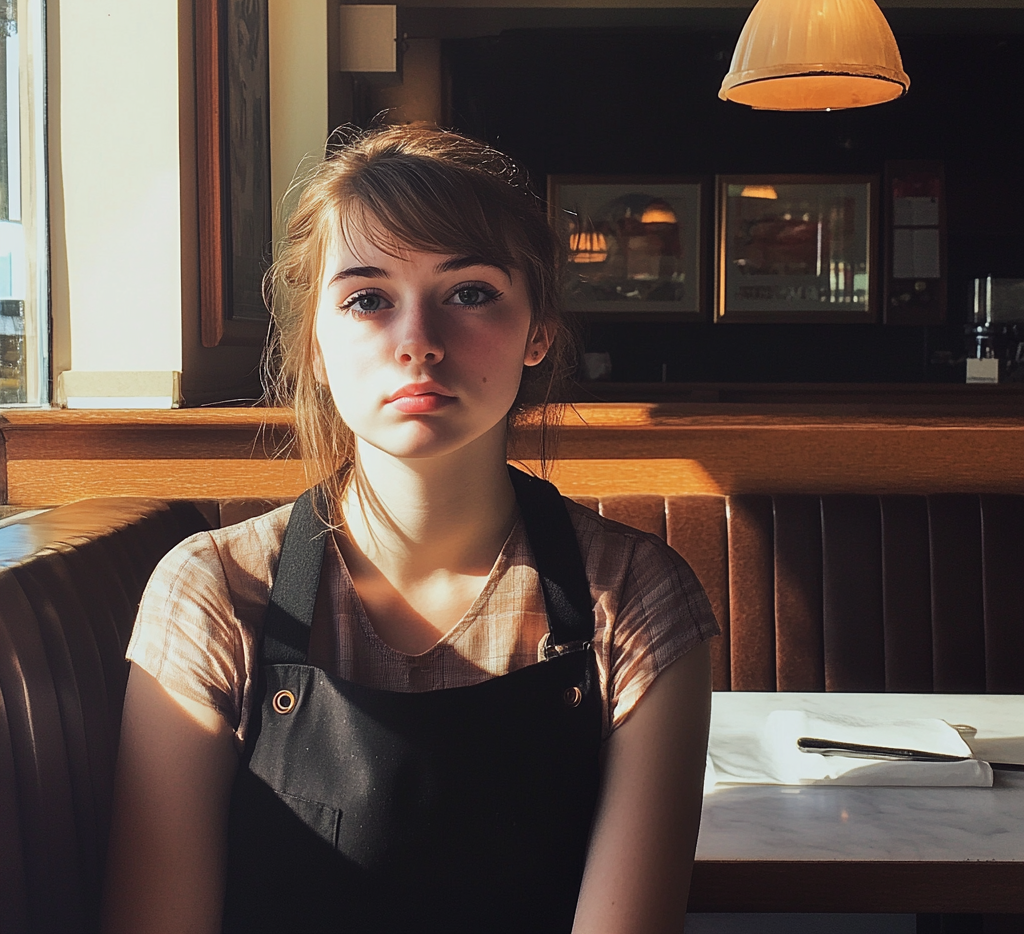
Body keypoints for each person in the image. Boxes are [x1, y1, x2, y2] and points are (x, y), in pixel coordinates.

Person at [102, 126, 719, 934]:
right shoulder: (215, 594)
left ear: (538, 329)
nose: (418, 343)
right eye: (367, 299)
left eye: (469, 293)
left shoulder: (636, 601)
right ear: (316, 344)